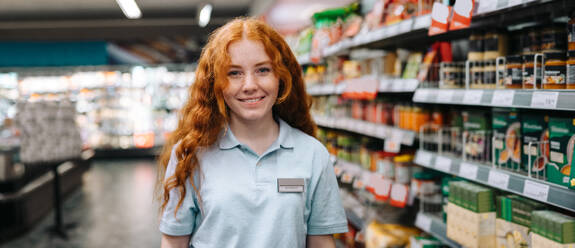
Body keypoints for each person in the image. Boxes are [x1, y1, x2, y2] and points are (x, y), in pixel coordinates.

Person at [157, 17, 347, 248]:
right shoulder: (190, 154)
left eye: (263, 70)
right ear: (215, 83)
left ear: (281, 77)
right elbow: (173, 241)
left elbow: (320, 241)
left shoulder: (312, 154)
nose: (249, 85)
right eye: (234, 73)